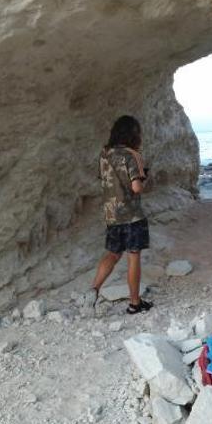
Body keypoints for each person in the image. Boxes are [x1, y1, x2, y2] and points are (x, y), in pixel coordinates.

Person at [84, 115, 153, 314]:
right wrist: (145, 179)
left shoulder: (104, 154)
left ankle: (93, 290)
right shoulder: (132, 155)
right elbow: (136, 187)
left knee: (112, 253)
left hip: (111, 214)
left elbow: (106, 180)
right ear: (133, 134)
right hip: (131, 215)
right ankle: (134, 303)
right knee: (133, 256)